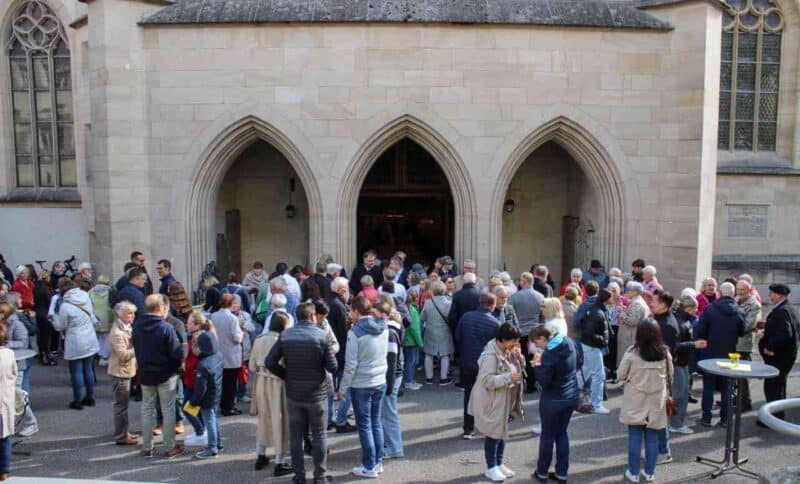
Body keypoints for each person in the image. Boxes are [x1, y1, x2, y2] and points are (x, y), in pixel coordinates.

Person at [266, 302, 337, 484]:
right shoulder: (321, 336)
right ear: (313, 317)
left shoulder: (285, 335)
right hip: (317, 394)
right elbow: (333, 367)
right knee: (320, 435)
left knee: (296, 437)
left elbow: (269, 362)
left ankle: (299, 477)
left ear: (296, 317)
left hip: (294, 393)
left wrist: (286, 376)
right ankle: (320, 477)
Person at [338, 296, 388, 478]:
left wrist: (342, 388)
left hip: (362, 383)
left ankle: (369, 465)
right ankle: (378, 462)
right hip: (379, 380)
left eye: (351, 311)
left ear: (357, 311)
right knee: (376, 422)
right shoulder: (384, 326)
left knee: (365, 424)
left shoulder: (355, 332)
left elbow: (350, 365)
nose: (350, 314)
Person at [619, 319, 673, 483]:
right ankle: (650, 472)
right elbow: (671, 373)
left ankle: (633, 472)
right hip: (656, 401)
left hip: (635, 399)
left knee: (634, 436)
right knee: (652, 436)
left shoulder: (631, 353)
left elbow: (621, 375)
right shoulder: (664, 353)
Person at [468, 323, 522, 482]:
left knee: (501, 432)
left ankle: (498, 464)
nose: (516, 345)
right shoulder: (490, 355)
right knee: (493, 434)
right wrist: (508, 378)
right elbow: (486, 380)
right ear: (504, 339)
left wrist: (518, 358)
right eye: (514, 341)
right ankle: (491, 467)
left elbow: (517, 370)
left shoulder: (505, 350)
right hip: (491, 400)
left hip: (501, 399)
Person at [131, 294, 184, 459]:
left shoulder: (137, 325)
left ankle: (147, 447)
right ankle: (169, 447)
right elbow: (176, 354)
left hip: (146, 373)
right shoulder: (166, 327)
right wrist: (176, 369)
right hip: (166, 374)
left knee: (147, 409)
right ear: (161, 307)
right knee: (168, 410)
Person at [530, 324, 579, 483]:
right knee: (562, 433)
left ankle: (542, 472)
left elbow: (544, 380)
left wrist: (537, 363)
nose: (537, 347)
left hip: (553, 400)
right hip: (571, 395)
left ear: (543, 339)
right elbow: (580, 361)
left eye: (537, 344)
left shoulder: (550, 354)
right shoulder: (569, 342)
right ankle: (561, 473)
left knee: (547, 436)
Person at [695, 281, 745, 427]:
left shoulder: (710, 309)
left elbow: (701, 331)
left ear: (720, 293)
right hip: (729, 354)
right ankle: (725, 419)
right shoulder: (739, 310)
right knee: (727, 387)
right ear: (733, 293)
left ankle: (706, 417)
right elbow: (742, 331)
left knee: (708, 386)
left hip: (710, 352)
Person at [250, 312, 293, 475]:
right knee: (280, 420)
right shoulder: (283, 340)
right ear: (284, 326)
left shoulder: (259, 339)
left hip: (261, 382)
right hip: (278, 383)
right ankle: (280, 462)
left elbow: (252, 366)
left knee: (264, 419)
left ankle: (260, 455)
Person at [455, 292, 501, 439]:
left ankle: (468, 428)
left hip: (467, 362)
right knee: (488, 395)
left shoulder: (466, 317)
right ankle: (486, 427)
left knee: (469, 394)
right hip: (486, 364)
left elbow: (458, 337)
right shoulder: (495, 323)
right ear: (492, 305)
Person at [52, 280, 101, 410]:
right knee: (88, 369)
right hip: (90, 337)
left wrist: (53, 319)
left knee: (76, 371)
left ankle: (77, 400)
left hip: (75, 339)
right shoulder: (85, 297)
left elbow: (61, 326)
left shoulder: (65, 306)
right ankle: (90, 397)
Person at [758, 283, 799, 426]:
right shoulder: (788, 308)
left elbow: (785, 333)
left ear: (780, 295)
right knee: (779, 385)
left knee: (773, 386)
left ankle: (772, 418)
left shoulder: (782, 311)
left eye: (771, 293)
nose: (769, 296)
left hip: (778, 356)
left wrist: (769, 347)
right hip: (786, 355)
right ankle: (778, 415)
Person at [668, 295, 707, 435]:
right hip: (679, 361)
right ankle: (675, 423)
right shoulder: (680, 322)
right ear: (689, 308)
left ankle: (676, 422)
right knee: (680, 394)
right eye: (695, 308)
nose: (697, 310)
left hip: (681, 361)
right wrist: (694, 344)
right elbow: (674, 346)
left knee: (682, 393)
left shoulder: (681, 319)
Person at [186, 330, 223, 460]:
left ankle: (212, 448)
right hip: (216, 394)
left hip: (207, 399)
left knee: (209, 421)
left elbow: (201, 388)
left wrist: (193, 402)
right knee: (214, 419)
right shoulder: (218, 355)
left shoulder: (203, 365)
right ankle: (219, 442)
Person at [376, 298, 405, 460]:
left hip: (391, 376)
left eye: (375, 314)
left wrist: (389, 385)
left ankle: (395, 448)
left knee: (388, 413)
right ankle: (391, 445)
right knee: (387, 412)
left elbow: (392, 360)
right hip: (393, 376)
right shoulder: (394, 327)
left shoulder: (390, 332)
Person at [182, 311, 215, 448]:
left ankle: (200, 432)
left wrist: (184, 365)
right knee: (195, 407)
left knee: (187, 407)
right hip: (191, 378)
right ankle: (202, 431)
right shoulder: (199, 336)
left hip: (193, 378)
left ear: (197, 325)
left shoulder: (197, 339)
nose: (186, 325)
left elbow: (195, 360)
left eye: (189, 323)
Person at [575, 289, 611, 414]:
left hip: (590, 345)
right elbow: (590, 332)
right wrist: (602, 340)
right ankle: (596, 404)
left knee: (586, 370)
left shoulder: (597, 310)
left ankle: (570, 393)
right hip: (592, 346)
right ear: (606, 299)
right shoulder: (598, 312)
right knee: (598, 375)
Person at [108, 301, 139, 445]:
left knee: (123, 405)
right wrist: (139, 346)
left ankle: (124, 432)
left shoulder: (126, 327)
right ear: (120, 314)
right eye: (129, 313)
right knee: (121, 407)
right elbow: (123, 355)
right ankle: (121, 436)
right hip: (121, 372)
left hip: (127, 371)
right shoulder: (117, 332)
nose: (132, 316)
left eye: (133, 313)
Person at [509, 272, 544, 394]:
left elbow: (510, 316)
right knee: (534, 358)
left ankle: (522, 382)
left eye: (521, 281)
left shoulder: (514, 297)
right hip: (534, 333)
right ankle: (533, 383)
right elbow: (542, 316)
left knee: (520, 358)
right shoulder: (540, 297)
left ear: (524, 281)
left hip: (521, 332)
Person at [210, 293, 243, 416]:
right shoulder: (232, 318)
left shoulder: (213, 316)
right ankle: (228, 407)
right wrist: (242, 334)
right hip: (232, 354)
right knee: (231, 384)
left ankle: (221, 405)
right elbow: (236, 338)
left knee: (221, 383)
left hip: (219, 353)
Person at [733, 279, 761, 411]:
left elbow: (747, 326)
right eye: (738, 290)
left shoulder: (755, 305)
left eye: (743, 290)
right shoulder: (734, 300)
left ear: (750, 290)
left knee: (742, 376)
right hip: (733, 343)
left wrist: (729, 326)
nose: (740, 292)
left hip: (743, 345)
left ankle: (745, 403)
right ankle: (735, 399)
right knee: (733, 374)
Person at [420, 281, 453, 385]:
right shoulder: (449, 303)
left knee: (429, 354)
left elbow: (422, 318)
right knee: (445, 354)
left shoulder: (428, 302)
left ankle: (429, 378)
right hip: (445, 331)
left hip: (430, 331)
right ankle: (443, 378)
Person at [0, 324, 17, 481]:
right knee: (4, 438)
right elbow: (14, 373)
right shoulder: (9, 354)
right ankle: (4, 471)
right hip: (4, 401)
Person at [619, 282, 649, 367]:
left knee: (628, 361)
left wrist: (622, 314)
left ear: (635, 292)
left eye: (629, 290)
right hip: (631, 335)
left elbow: (633, 321)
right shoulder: (635, 302)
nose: (627, 292)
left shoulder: (637, 303)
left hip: (631, 337)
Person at [89, 276, 114, 366]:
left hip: (96, 317)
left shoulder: (91, 291)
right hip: (108, 317)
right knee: (107, 338)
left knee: (99, 337)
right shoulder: (110, 291)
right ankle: (105, 357)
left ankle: (100, 354)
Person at [32, 270, 56, 366]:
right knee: (45, 337)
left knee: (41, 336)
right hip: (45, 313)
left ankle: (43, 355)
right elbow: (49, 301)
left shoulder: (35, 286)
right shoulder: (44, 288)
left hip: (38, 312)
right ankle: (45, 356)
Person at [448, 272, 481, 338]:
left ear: (464, 281)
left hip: (460, 329)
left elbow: (452, 316)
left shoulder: (457, 295)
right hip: (477, 328)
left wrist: (454, 330)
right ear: (474, 282)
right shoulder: (481, 295)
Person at [402, 291, 423, 391]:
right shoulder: (413, 311)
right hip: (412, 341)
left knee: (408, 361)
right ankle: (409, 381)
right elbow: (415, 329)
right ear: (416, 299)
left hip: (406, 339)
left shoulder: (405, 309)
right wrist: (420, 342)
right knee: (411, 361)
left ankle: (409, 380)